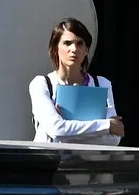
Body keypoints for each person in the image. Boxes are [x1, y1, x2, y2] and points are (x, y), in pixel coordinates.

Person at [29, 17, 125, 145]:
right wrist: (106, 125)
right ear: (55, 49)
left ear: (86, 50)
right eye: (67, 43)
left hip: (90, 162)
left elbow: (113, 139)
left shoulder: (101, 84)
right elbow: (56, 130)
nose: (74, 49)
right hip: (51, 163)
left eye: (80, 43)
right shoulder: (42, 84)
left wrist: (67, 127)